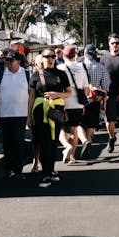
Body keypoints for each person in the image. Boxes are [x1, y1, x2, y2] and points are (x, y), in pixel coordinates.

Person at [27, 49, 71, 189]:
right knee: (44, 141)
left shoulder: (61, 74)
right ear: (42, 59)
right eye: (47, 56)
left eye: (53, 56)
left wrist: (56, 94)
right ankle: (46, 173)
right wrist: (29, 117)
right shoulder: (35, 76)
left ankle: (51, 170)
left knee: (53, 141)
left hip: (56, 110)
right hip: (40, 111)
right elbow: (31, 97)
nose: (50, 59)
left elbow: (69, 93)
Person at [0, 50, 29, 178]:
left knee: (18, 142)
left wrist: (30, 115)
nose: (8, 63)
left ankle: (18, 170)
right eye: (6, 60)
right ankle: (8, 169)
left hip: (21, 114)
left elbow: (31, 96)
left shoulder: (26, 74)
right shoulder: (1, 75)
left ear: (18, 61)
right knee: (7, 143)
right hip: (5, 114)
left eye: (11, 60)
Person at [59, 45, 90, 165]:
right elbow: (86, 89)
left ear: (63, 55)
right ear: (75, 55)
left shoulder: (60, 68)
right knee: (74, 130)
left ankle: (66, 146)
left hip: (63, 102)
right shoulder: (81, 68)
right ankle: (72, 156)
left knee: (60, 128)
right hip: (77, 103)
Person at [78, 44, 110, 150]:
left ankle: (84, 141)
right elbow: (105, 88)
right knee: (91, 125)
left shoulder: (79, 66)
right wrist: (103, 103)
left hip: (80, 99)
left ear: (84, 54)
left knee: (79, 123)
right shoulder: (101, 67)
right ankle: (89, 143)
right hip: (95, 100)